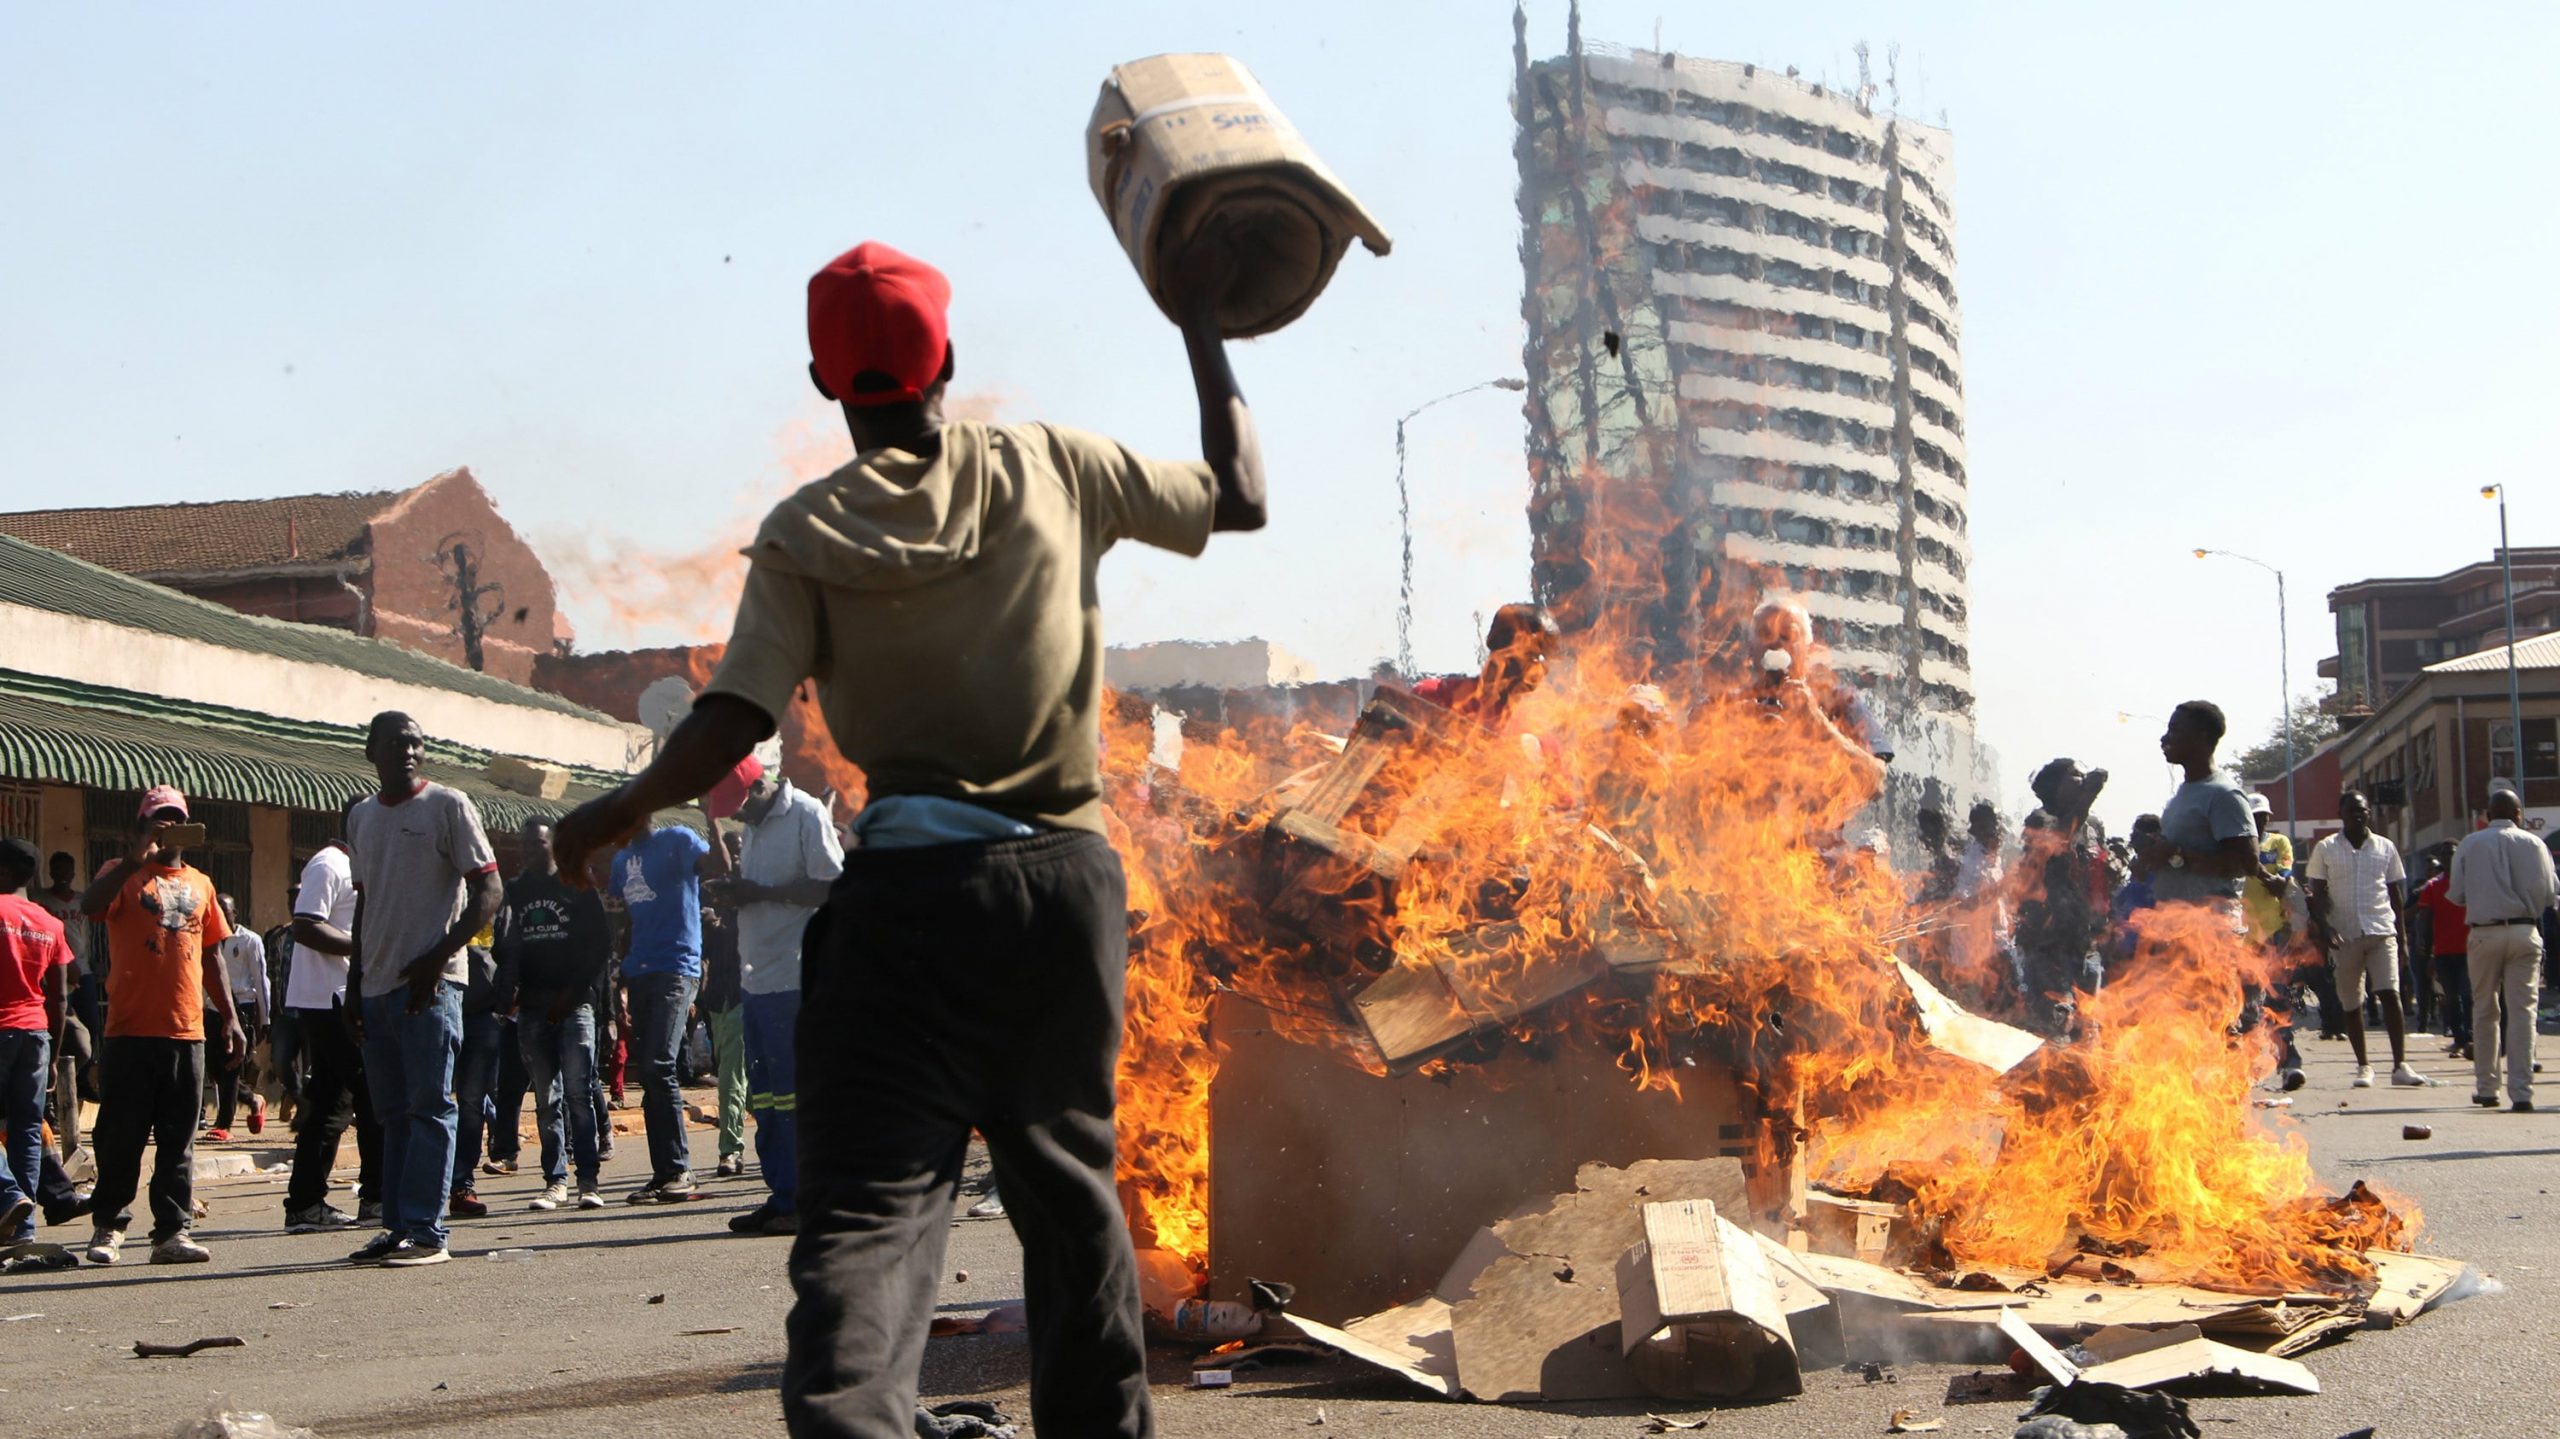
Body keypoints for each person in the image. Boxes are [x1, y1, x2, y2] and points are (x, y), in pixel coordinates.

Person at [555, 232, 1263, 1438]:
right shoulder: (1052, 465)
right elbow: (1237, 495)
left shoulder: (804, 531)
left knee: (872, 1211)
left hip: (905, 905)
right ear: (949, 360)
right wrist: (1203, 322)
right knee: (1066, 1182)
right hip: (1058, 889)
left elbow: (735, 714)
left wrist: (620, 810)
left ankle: (852, 1421)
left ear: (830, 384)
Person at [344, 712, 503, 1267]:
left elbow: (489, 889)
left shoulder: (448, 805)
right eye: (394, 743)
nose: (408, 752)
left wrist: (438, 958)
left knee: (431, 1106)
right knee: (390, 1114)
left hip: (433, 988)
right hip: (377, 986)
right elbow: (365, 903)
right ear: (371, 752)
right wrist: (354, 983)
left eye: (415, 743)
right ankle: (397, 1227)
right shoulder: (361, 816)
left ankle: (428, 1232)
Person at [78, 786, 245, 1265]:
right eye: (158, 818)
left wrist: (229, 1017)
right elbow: (91, 907)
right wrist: (135, 857)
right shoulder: (121, 873)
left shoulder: (202, 883)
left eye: (175, 818)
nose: (167, 826)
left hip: (186, 1030)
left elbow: (212, 954)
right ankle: (108, 1227)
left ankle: (171, 1232)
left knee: (179, 1139)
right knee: (120, 1135)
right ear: (142, 824)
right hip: (129, 1030)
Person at [707, 756, 845, 1236]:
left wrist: (758, 892)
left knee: (796, 1097)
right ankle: (783, 1195)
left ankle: (808, 1200)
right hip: (757, 981)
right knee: (765, 1098)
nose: (737, 818)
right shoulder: (756, 827)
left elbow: (832, 888)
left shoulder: (806, 814)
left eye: (739, 807)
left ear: (759, 785)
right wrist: (737, 894)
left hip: (799, 977)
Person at [497, 819, 611, 1211]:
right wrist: (506, 991)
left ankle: (589, 1182)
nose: (530, 850)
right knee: (547, 1098)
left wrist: (575, 994)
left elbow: (600, 945)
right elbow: (506, 944)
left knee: (580, 1094)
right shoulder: (515, 891)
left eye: (538, 843)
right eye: (525, 844)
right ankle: (555, 1180)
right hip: (531, 1008)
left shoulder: (577, 883)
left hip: (575, 1005)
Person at [610, 819, 720, 1204]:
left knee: (659, 1065)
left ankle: (679, 1170)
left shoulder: (678, 840)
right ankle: (663, 1175)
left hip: (677, 968)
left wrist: (713, 818)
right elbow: (624, 917)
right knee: (652, 1073)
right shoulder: (622, 859)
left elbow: (715, 867)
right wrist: (621, 978)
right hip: (639, 971)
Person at [280, 826, 380, 1232]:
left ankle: (306, 1204)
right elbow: (305, 926)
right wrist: (364, 947)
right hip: (330, 1002)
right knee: (372, 1096)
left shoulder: (353, 867)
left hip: (337, 1000)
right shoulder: (330, 863)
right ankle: (376, 1198)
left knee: (328, 1104)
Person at [2448, 787, 2559, 1113]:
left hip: (2484, 933)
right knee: (2523, 1013)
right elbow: (2550, 894)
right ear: (2518, 814)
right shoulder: (2536, 844)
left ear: (2486, 815)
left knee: (2484, 1010)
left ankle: (2487, 1089)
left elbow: (2456, 894)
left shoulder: (2470, 844)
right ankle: (2522, 1093)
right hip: (2525, 931)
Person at [2305, 791, 2420, 1088]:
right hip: (2344, 935)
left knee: (2390, 994)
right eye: (2352, 810)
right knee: (2352, 1002)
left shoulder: (2385, 847)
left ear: (2369, 813)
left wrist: (2403, 938)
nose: (2359, 815)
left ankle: (2400, 1066)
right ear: (2340, 813)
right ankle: (2364, 1066)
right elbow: (2316, 894)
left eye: (2363, 810)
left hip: (2382, 930)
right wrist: (2325, 928)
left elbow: (2395, 894)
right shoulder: (2326, 849)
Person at [1736, 594, 1892, 777]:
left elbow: (1876, 779)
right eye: (1765, 634)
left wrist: (1816, 721)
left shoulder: (1840, 702)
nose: (1776, 644)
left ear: (1807, 650)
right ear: (1750, 647)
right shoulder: (1724, 706)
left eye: (1788, 636)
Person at [0, 837, 70, 1243]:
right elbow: (59, 996)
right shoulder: (50, 922)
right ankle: (21, 1230)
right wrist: (55, 1056)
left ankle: (8, 1195)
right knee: (27, 1130)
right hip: (36, 1033)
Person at [2014, 760, 2110, 1037]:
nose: (2083, 780)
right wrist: (2087, 798)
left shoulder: (2092, 825)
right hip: (2049, 944)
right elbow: (2058, 842)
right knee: (2055, 1025)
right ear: (2053, 787)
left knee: (2087, 1026)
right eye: (2075, 776)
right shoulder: (2041, 819)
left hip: (2085, 943)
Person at [1411, 604, 1557, 731]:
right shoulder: (1433, 698)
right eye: (1533, 654)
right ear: (1499, 646)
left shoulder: (1540, 740)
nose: (1543, 666)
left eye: (1547, 657)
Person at [32, 850, 92, 1157]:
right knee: (70, 1044)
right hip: (54, 979)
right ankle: (50, 1105)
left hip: (80, 974)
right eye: (57, 870)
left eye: (67, 869)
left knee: (88, 1044)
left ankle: (76, 1093)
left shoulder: (82, 901)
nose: (63, 875)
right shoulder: (42, 904)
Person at [447, 924, 506, 1218]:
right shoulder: (441, 888)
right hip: (439, 1000)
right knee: (431, 1100)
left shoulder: (495, 896)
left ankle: (461, 1185)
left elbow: (509, 950)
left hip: (483, 1014)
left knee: (472, 1102)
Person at [204, 895, 268, 1139]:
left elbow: (262, 981)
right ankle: (253, 1099)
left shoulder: (249, 940)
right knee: (213, 1067)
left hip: (242, 1007)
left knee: (231, 1066)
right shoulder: (207, 939)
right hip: (212, 1008)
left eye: (225, 911)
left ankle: (224, 1124)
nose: (221, 915)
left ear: (235, 913)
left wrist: (265, 1018)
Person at [2410, 848, 2473, 1059]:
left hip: (2470, 950)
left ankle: (2471, 1037)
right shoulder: (2432, 886)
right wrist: (2426, 950)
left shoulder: (2470, 883)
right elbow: (2425, 919)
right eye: (2446, 855)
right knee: (2451, 997)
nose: (2449, 859)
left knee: (2468, 994)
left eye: (2453, 854)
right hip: (2443, 952)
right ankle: (2459, 1037)